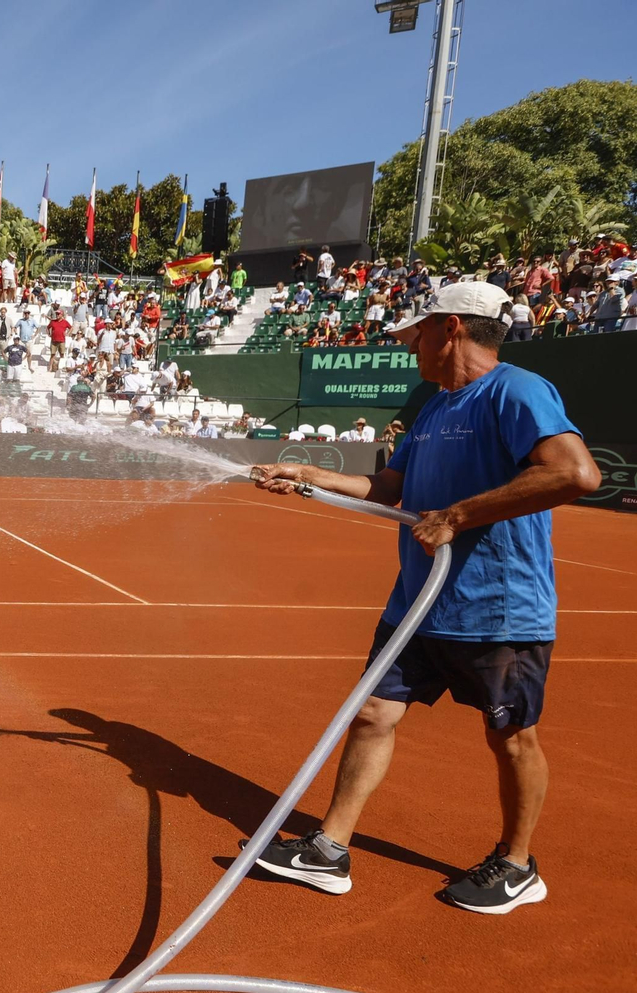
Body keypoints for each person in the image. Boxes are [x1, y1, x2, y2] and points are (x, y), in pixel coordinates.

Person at [249, 281, 600, 914]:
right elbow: (388, 489)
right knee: (372, 714)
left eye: (418, 329)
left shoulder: (515, 391)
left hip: (498, 609)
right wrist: (308, 475)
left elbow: (575, 473)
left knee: (512, 737)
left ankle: (518, 865)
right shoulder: (435, 408)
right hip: (416, 603)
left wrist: (460, 515)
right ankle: (329, 849)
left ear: (453, 328)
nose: (409, 341)